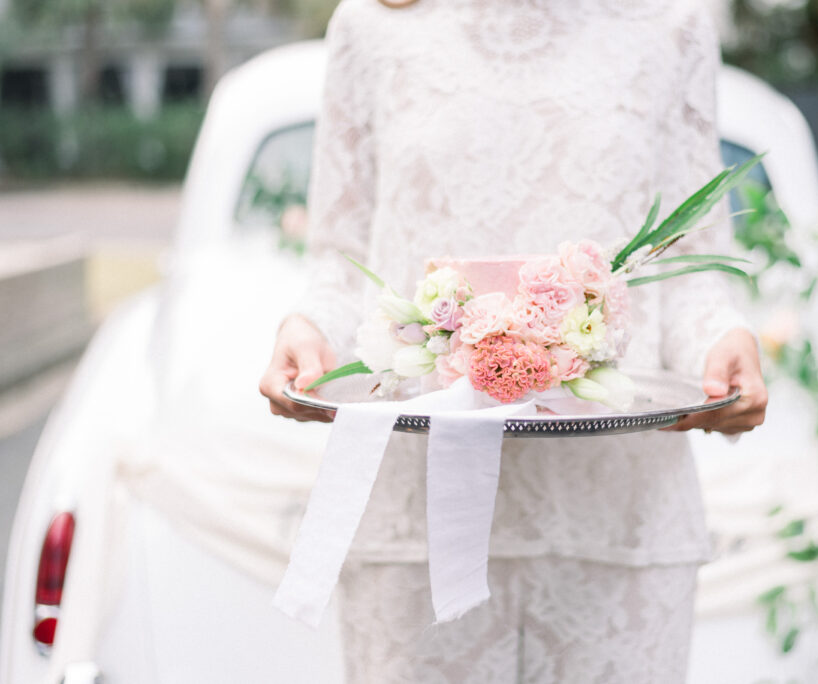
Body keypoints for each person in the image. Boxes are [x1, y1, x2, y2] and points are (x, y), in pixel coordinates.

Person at [259, 0, 767, 681]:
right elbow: (339, 257)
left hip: (617, 514)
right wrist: (307, 328)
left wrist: (722, 341)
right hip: (418, 514)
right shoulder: (371, 27)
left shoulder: (671, 26)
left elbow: (689, 269)